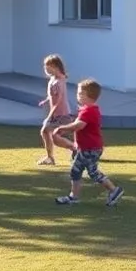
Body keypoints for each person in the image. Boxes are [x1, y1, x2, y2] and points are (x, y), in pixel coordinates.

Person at [53, 79, 124, 207]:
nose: (78, 95)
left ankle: (114, 190)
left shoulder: (89, 111)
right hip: (86, 148)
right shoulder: (87, 110)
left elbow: (79, 125)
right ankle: (74, 196)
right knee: (77, 171)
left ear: (90, 96)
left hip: (90, 149)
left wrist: (62, 128)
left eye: (81, 93)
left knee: (91, 172)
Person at [37, 54, 74, 165]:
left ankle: (75, 149)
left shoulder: (59, 82)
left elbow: (59, 100)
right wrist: (46, 100)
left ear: (56, 67)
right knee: (46, 132)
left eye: (48, 66)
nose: (46, 69)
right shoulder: (53, 79)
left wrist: (49, 116)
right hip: (56, 114)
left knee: (54, 137)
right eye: (45, 66)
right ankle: (50, 158)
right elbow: (53, 96)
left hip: (62, 115)